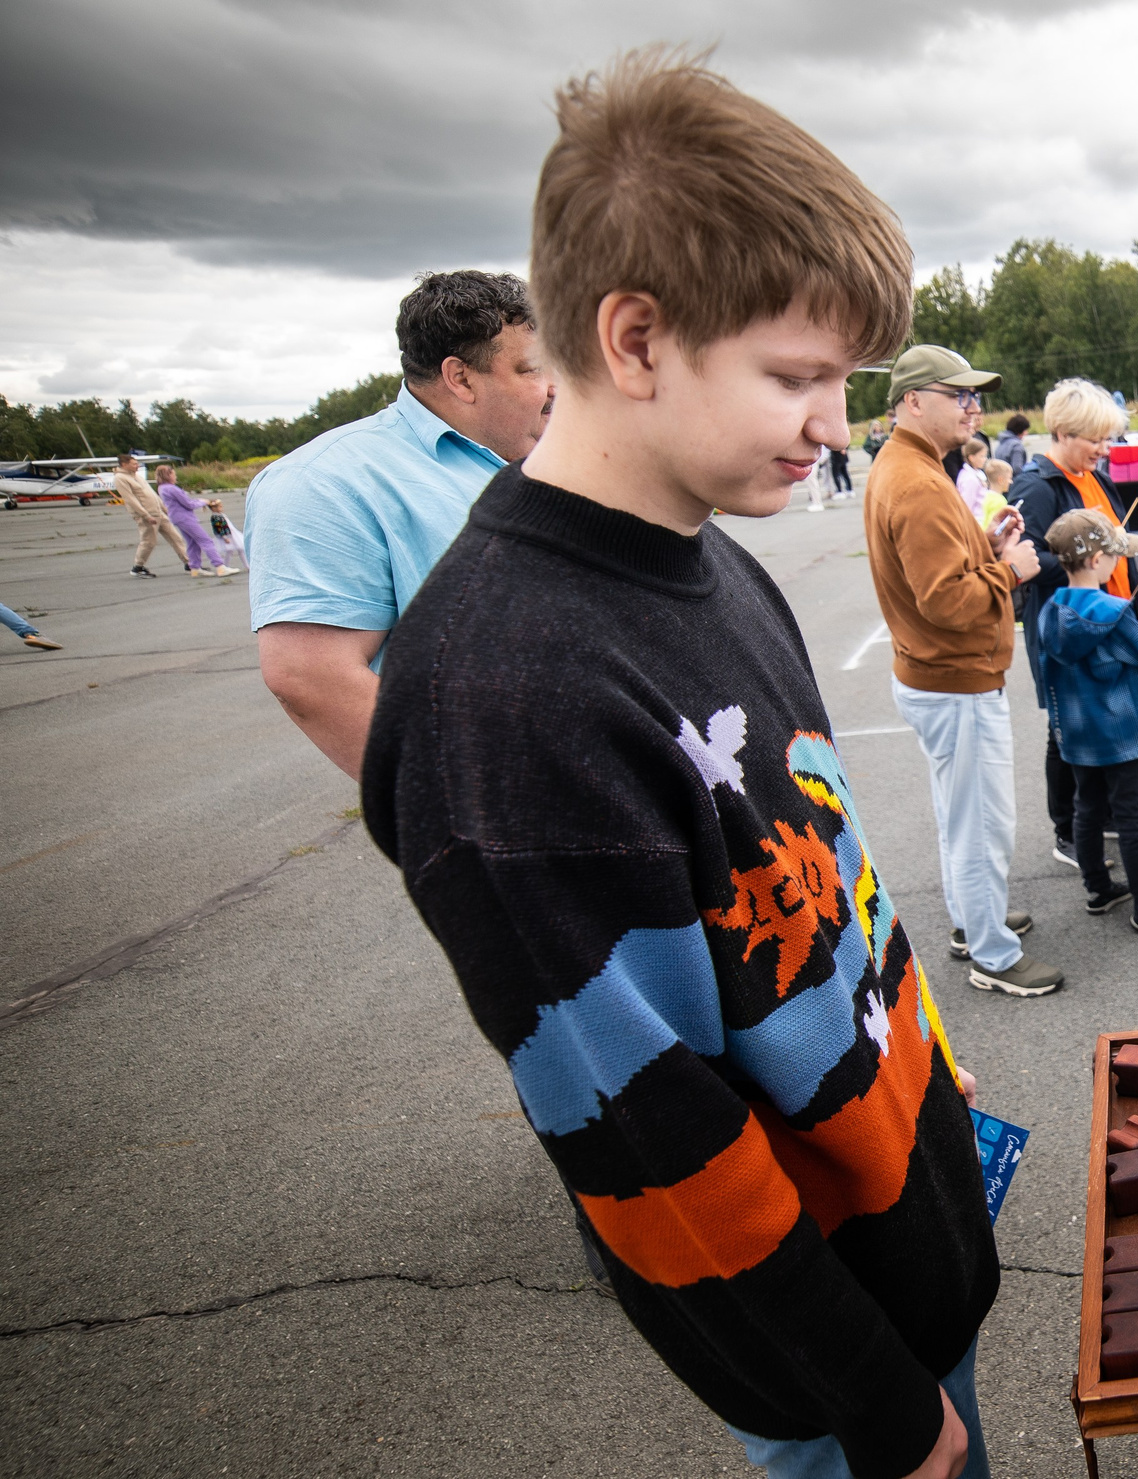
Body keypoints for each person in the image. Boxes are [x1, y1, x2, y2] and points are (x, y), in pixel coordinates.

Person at [364, 56, 995, 1479]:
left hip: (909, 1266)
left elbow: (842, 916)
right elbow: (654, 1148)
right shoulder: (501, 702)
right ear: (637, 337)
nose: (833, 426)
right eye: (796, 376)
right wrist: (889, 1416)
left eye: (844, 381)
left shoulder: (712, 561)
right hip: (849, 1392)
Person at [247, 269, 554, 778]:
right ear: (461, 378)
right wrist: (484, 797)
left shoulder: (553, 461)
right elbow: (310, 678)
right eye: (536, 369)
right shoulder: (324, 481)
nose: (557, 388)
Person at [867, 343, 1060, 1000]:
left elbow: (937, 570)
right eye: (960, 396)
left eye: (974, 396)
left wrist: (987, 543)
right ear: (913, 401)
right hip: (954, 678)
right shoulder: (918, 481)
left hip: (937, 675)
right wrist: (1011, 569)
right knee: (981, 826)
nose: (973, 408)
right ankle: (992, 953)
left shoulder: (907, 465)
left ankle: (972, 921)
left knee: (963, 816)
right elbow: (946, 600)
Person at [1012, 378, 1134, 866]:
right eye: (1095, 440)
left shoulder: (1095, 479)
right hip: (1067, 629)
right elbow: (1026, 558)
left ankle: (1100, 813)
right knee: (1065, 727)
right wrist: (1080, 567)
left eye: (1108, 439)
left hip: (1109, 620)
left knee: (1102, 715)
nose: (1104, 450)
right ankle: (1066, 829)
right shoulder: (1037, 486)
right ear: (1062, 432)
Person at [1037, 508, 1138, 930]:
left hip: (1078, 734)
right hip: (1121, 734)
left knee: (1087, 810)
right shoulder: (1113, 613)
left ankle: (1098, 890)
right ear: (1096, 560)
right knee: (1131, 817)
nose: (1119, 561)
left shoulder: (1050, 611)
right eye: (1115, 555)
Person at [152, 464, 238, 576]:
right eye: (173, 474)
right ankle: (220, 566)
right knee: (205, 540)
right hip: (185, 518)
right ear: (168, 475)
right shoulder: (172, 489)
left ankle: (195, 567)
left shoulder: (162, 488)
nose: (175, 476)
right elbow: (188, 504)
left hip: (176, 518)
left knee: (192, 543)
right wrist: (203, 501)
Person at [113, 453, 187, 578]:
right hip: (147, 515)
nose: (137, 466)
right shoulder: (120, 478)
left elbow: (151, 493)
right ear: (124, 464)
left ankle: (189, 562)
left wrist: (165, 509)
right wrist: (145, 515)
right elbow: (130, 499)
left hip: (157, 512)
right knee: (149, 542)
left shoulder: (137, 476)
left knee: (175, 537)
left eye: (137, 463)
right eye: (134, 464)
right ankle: (138, 567)